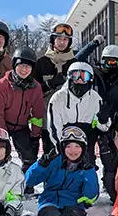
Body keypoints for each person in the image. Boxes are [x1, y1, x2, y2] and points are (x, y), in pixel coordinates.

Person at [25, 126, 99, 216]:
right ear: (62, 147)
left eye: (77, 146)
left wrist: (89, 173)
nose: (73, 151)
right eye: (69, 146)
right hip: (50, 200)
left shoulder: (85, 168)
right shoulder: (54, 161)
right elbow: (29, 181)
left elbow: (92, 196)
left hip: (73, 202)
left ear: (83, 148)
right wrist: (41, 165)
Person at [34, 23, 104, 155]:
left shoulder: (73, 64)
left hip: (70, 119)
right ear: (53, 40)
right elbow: (33, 92)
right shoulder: (42, 63)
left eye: (65, 39)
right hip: (47, 118)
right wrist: (50, 84)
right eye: (59, 39)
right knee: (51, 155)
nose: (62, 42)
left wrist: (94, 44)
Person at [0, 46, 45, 195]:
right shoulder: (2, 86)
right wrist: (2, 136)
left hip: (21, 126)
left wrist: (35, 134)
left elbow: (37, 113)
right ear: (14, 65)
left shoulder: (35, 87)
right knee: (0, 155)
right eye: (21, 65)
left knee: (30, 158)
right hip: (3, 125)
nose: (24, 70)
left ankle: (27, 186)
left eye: (28, 67)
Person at [47, 61, 108, 163]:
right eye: (75, 75)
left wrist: (103, 119)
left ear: (90, 79)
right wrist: (61, 148)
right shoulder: (58, 98)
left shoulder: (95, 98)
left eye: (84, 76)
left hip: (87, 146)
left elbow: (102, 127)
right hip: (66, 146)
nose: (79, 80)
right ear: (69, 77)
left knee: (86, 174)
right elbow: (54, 127)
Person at [95, 45, 118, 128]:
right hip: (93, 119)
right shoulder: (95, 75)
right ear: (103, 61)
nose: (111, 65)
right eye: (109, 62)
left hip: (111, 122)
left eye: (114, 63)